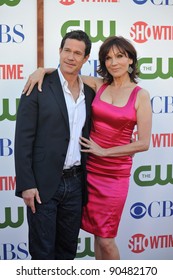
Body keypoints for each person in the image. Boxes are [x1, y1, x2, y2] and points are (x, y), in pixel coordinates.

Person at [23, 35, 152, 260]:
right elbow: (68, 72)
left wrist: (104, 151)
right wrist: (41, 70)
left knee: (106, 238)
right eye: (109, 58)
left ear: (130, 60)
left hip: (114, 175)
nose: (114, 63)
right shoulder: (99, 84)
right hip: (88, 173)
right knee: (95, 236)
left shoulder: (140, 95)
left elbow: (143, 143)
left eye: (120, 57)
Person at [14, 30, 95, 260]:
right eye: (67, 50)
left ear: (85, 58)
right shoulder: (38, 84)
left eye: (77, 53)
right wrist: (26, 184)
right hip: (42, 185)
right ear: (59, 51)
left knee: (67, 252)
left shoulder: (89, 93)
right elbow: (22, 138)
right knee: (42, 254)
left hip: (76, 184)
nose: (71, 57)